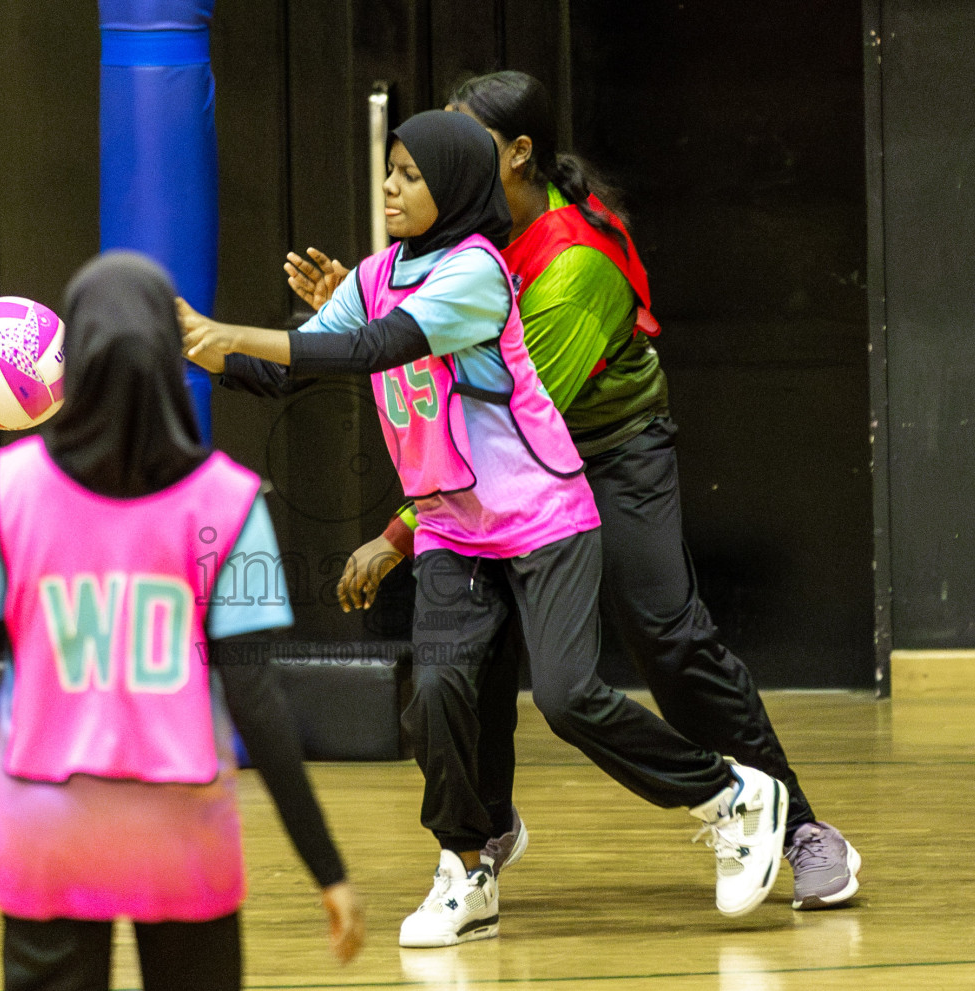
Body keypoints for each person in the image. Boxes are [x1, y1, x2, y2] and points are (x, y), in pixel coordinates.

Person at [180, 108, 790, 946]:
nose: (389, 187)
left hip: (542, 515)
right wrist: (183, 339)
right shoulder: (371, 276)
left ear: (457, 186)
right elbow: (272, 374)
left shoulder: (475, 275)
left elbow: (368, 351)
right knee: (435, 694)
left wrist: (233, 332)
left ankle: (731, 792)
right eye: (387, 172)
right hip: (451, 531)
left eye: (408, 174)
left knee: (569, 698)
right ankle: (467, 866)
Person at [288, 71, 862, 912]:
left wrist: (399, 529)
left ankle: (797, 823)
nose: (428, 168)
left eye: (459, 147)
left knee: (665, 638)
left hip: (601, 455)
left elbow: (526, 411)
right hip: (498, 464)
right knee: (457, 663)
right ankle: (481, 830)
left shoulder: (572, 265)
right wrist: (364, 304)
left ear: (518, 156)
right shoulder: (454, 238)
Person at [0, 251, 364, 991]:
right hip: (180, 832)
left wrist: (17, 749)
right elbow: (258, 704)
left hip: (44, 825)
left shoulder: (6, 489)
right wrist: (326, 868)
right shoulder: (230, 502)